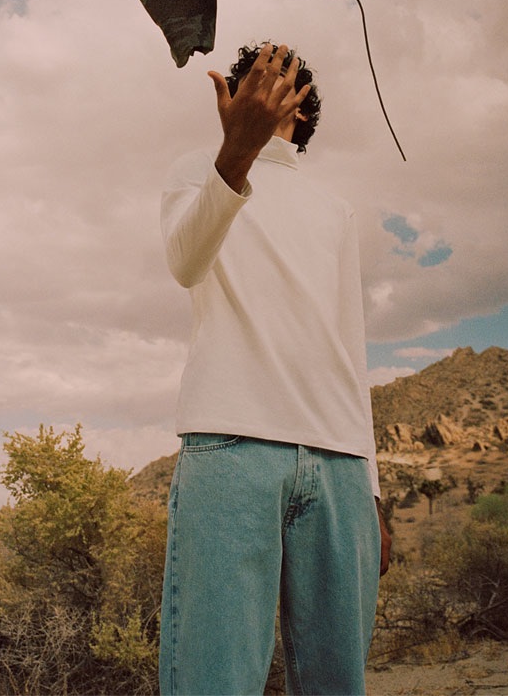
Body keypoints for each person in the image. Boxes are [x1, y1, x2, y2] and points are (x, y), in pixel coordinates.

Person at [159, 41, 391, 696]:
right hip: (232, 446)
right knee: (213, 678)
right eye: (252, 75)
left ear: (303, 107)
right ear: (233, 99)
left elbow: (350, 346)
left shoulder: (334, 208)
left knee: (337, 683)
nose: (264, 81)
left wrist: (371, 488)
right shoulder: (197, 170)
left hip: (340, 463)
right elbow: (185, 263)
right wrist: (236, 153)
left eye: (281, 74)